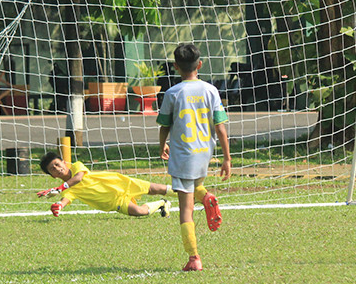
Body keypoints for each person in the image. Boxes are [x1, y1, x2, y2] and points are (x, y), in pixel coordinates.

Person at [157, 43, 232, 272]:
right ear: (199, 65)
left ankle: (193, 258)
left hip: (183, 155)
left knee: (185, 209)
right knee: (195, 187)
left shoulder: (172, 93)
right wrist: (227, 158)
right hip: (204, 154)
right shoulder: (211, 90)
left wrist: (162, 145)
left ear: (175, 67)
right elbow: (220, 128)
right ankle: (206, 196)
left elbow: (165, 125)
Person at [37, 151, 171, 217]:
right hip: (115, 202)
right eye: (52, 169)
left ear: (64, 162)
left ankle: (189, 194)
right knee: (140, 212)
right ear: (53, 176)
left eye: (57, 164)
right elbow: (66, 199)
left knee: (156, 188)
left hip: (119, 183)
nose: (57, 169)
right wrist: (58, 206)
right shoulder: (68, 190)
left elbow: (78, 178)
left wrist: (60, 188)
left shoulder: (77, 166)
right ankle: (162, 203)